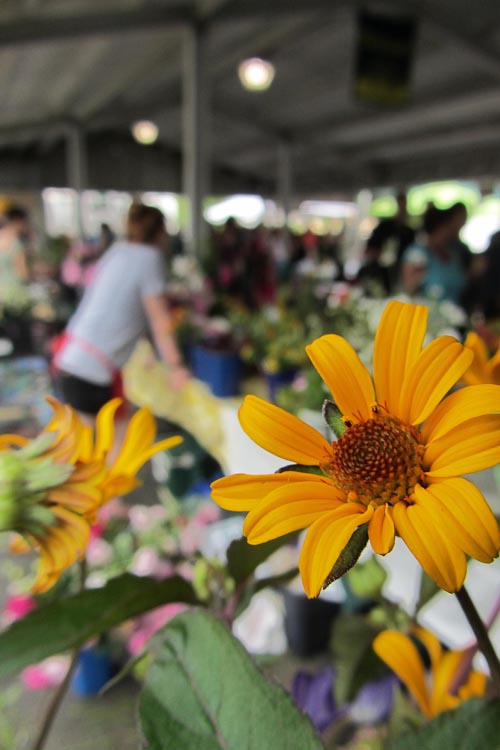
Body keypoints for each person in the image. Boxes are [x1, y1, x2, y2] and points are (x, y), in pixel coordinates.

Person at [54, 202, 190, 418]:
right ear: (161, 232)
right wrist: (176, 367)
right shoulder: (149, 258)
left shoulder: (118, 251)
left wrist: (150, 350)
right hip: (90, 371)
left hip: (72, 357)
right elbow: (159, 320)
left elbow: (127, 307)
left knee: (108, 438)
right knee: (102, 446)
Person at [400, 206, 468, 304]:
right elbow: (408, 290)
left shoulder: (454, 253)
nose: (449, 233)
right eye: (445, 229)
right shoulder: (417, 254)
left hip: (456, 315)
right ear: (435, 229)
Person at [365, 192, 415, 292]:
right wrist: (382, 256)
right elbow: (369, 251)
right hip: (380, 276)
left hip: (400, 277)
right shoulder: (384, 227)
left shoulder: (409, 232)